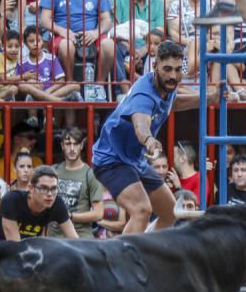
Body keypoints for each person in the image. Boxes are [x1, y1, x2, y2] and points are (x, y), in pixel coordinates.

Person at [92, 41, 218, 234]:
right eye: (167, 69)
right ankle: (122, 261)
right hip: (112, 160)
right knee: (142, 210)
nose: (173, 75)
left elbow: (173, 104)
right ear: (155, 66)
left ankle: (145, 252)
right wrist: (149, 140)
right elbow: (140, 124)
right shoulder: (144, 94)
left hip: (135, 160)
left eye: (177, 70)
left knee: (171, 213)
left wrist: (209, 98)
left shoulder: (167, 86)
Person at [39, 0, 116, 83]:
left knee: (109, 45)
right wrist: (62, 31)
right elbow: (44, 20)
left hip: (92, 34)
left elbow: (107, 20)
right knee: (66, 46)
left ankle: (99, 84)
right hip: (63, 35)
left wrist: (96, 32)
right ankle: (69, 83)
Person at [52, 127, 104, 239]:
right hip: (53, 238)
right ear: (62, 146)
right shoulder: (53, 171)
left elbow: (98, 213)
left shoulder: (90, 174)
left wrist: (69, 216)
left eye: (75, 144)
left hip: (80, 239)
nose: (72, 148)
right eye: (68, 143)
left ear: (81, 146)